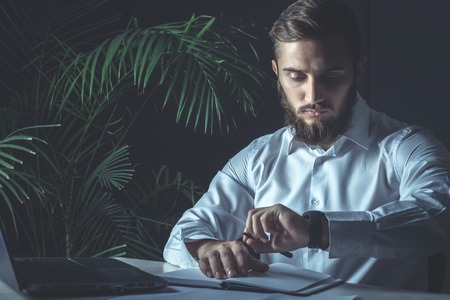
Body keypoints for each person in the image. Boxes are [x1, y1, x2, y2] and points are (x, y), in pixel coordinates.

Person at [163, 0, 450, 291]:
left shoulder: (407, 146)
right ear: (277, 72)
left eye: (331, 76)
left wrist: (317, 231)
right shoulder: (257, 158)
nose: (313, 94)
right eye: (296, 76)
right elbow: (185, 234)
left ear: (358, 69)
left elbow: (440, 214)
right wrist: (210, 249)